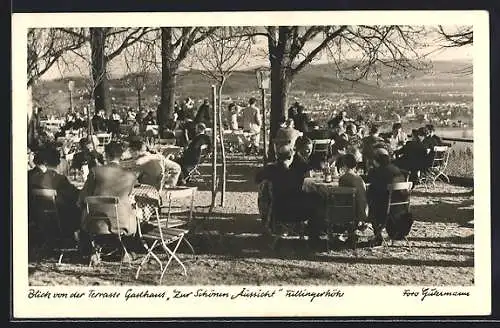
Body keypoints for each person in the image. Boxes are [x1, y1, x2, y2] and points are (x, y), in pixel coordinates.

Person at [255, 144, 323, 247]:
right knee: (317, 200)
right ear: (291, 157)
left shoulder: (270, 169)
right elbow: (299, 190)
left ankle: (311, 234)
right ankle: (314, 238)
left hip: (276, 210)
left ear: (277, 156)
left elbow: (257, 179)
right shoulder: (293, 173)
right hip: (293, 212)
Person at [78, 141, 138, 238]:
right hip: (124, 223)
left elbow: (84, 197)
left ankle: (84, 242)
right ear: (121, 156)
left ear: (106, 155)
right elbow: (128, 196)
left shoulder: (95, 171)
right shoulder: (130, 175)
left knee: (83, 207)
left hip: (96, 222)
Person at [28, 145, 81, 242]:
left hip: (37, 218)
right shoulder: (59, 179)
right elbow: (76, 195)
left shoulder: (32, 177)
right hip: (61, 221)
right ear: (58, 162)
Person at [366, 149, 406, 246]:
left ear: (376, 161)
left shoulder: (377, 172)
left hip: (385, 209)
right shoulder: (397, 170)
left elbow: (372, 189)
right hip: (400, 207)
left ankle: (378, 236)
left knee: (371, 206)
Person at [338, 154, 368, 225]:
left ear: (344, 164)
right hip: (363, 211)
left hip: (350, 211)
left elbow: (341, 197)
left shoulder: (343, 178)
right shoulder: (359, 178)